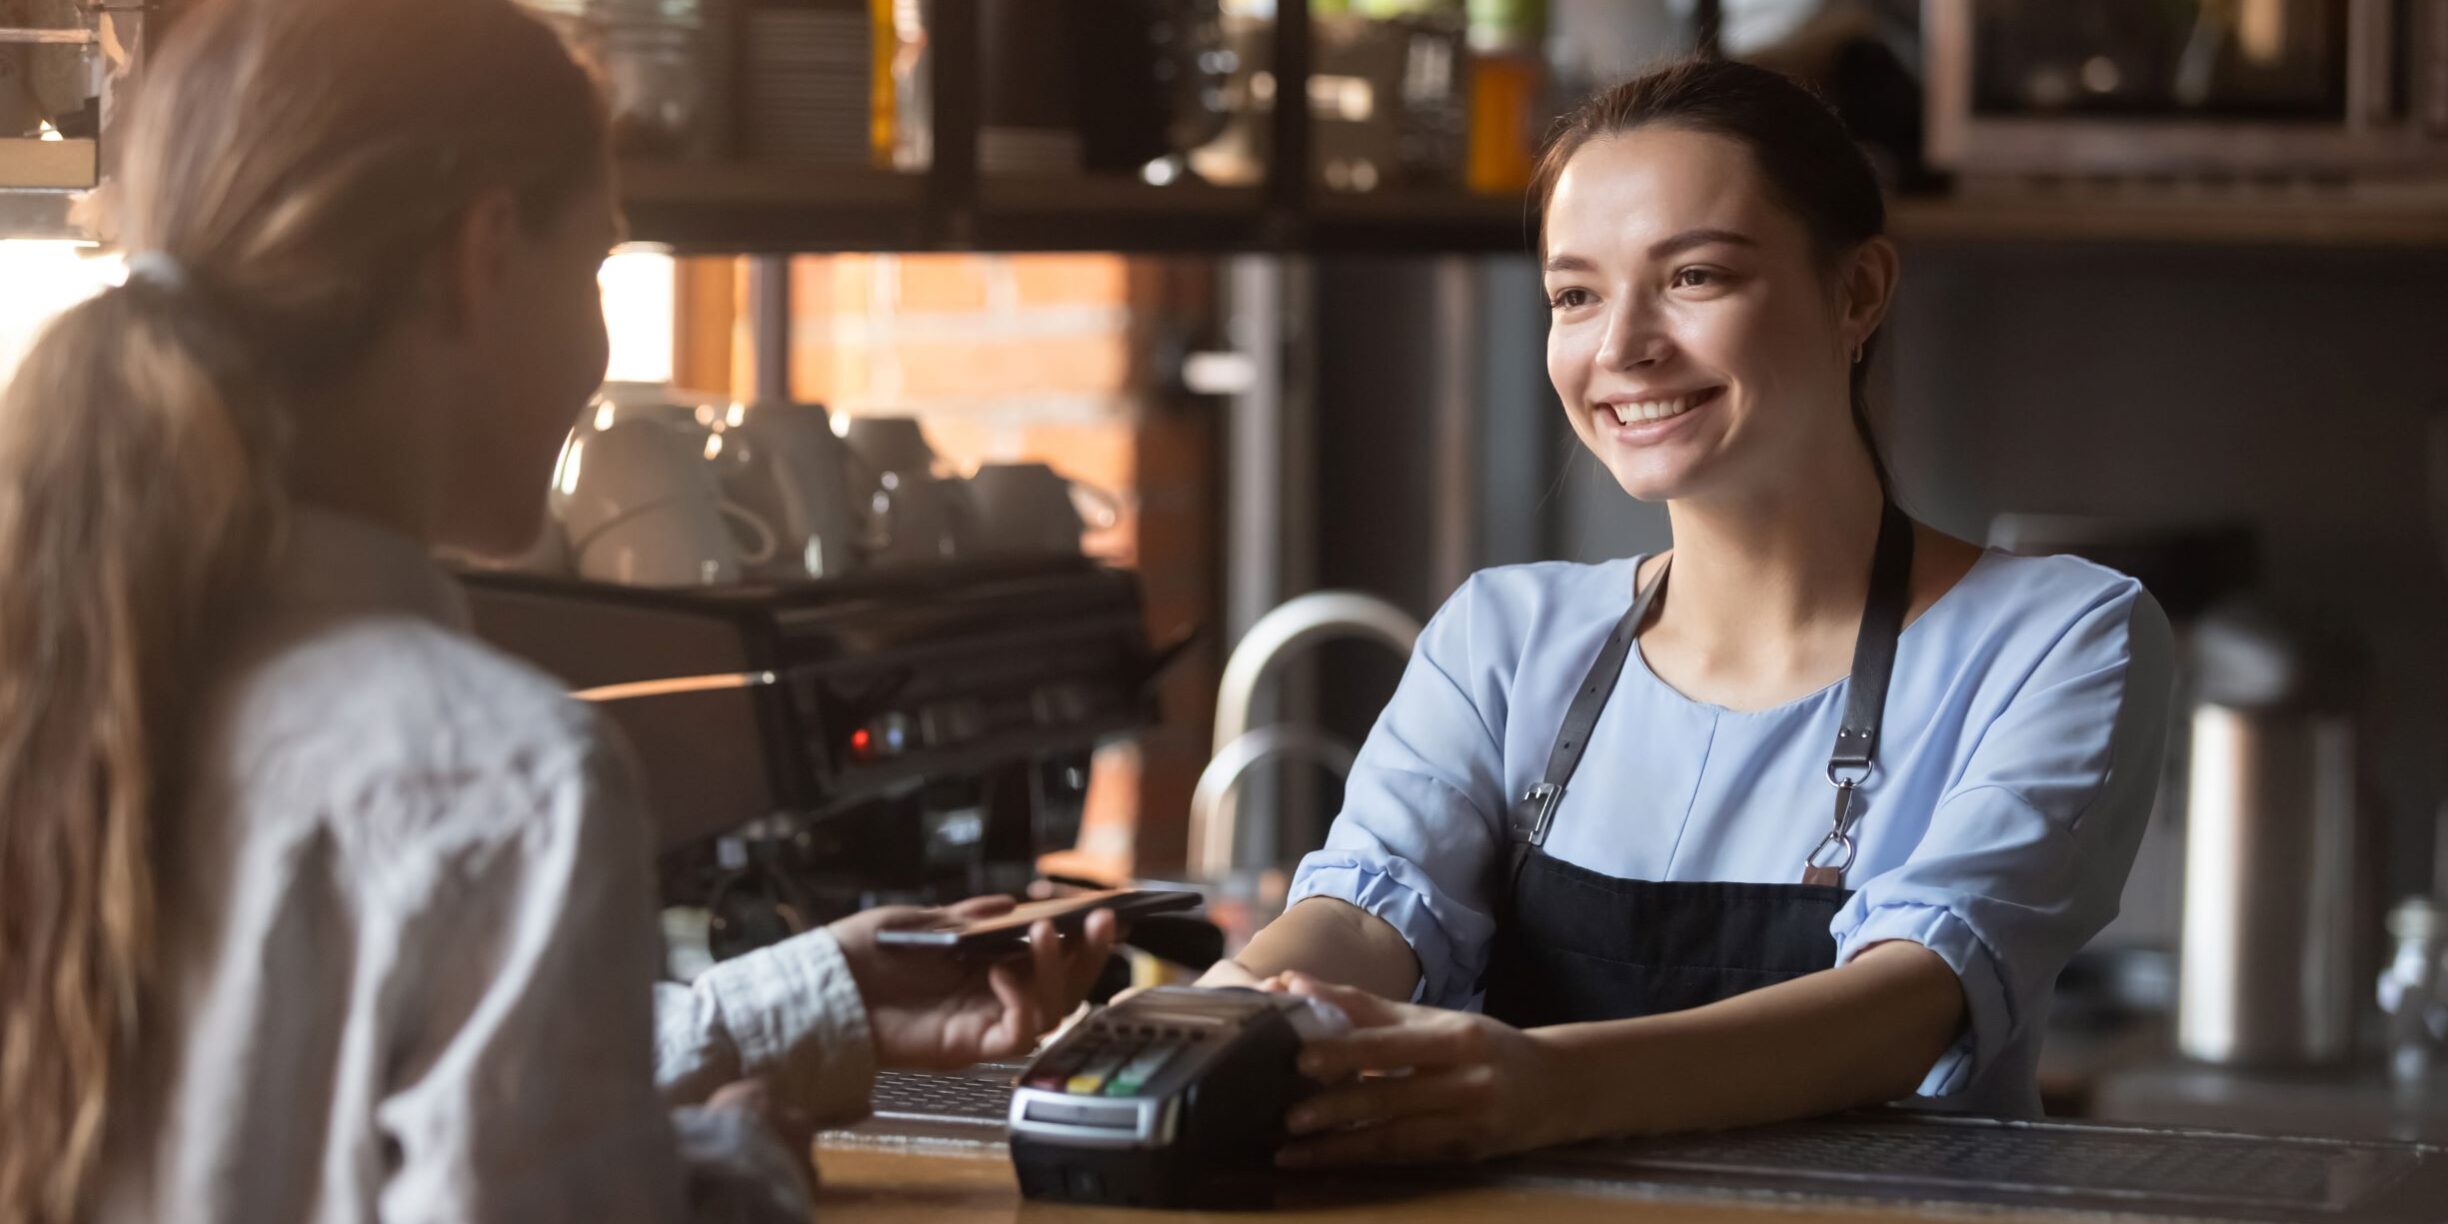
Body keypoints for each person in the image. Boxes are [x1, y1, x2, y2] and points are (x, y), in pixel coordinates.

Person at [0, 1, 1112, 1222]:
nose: (596, 341)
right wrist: (738, 1186)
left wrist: (808, 1003)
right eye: (595, 263)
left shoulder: (58, 675)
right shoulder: (510, 778)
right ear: (482, 256)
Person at [1203, 59, 2176, 1166]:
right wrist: (1213, 1022)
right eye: (1575, 294)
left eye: (1695, 277)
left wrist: (1547, 1085)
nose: (1621, 348)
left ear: (1857, 293)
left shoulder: (2058, 637)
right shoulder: (1501, 638)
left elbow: (1912, 1002)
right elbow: (1369, 915)